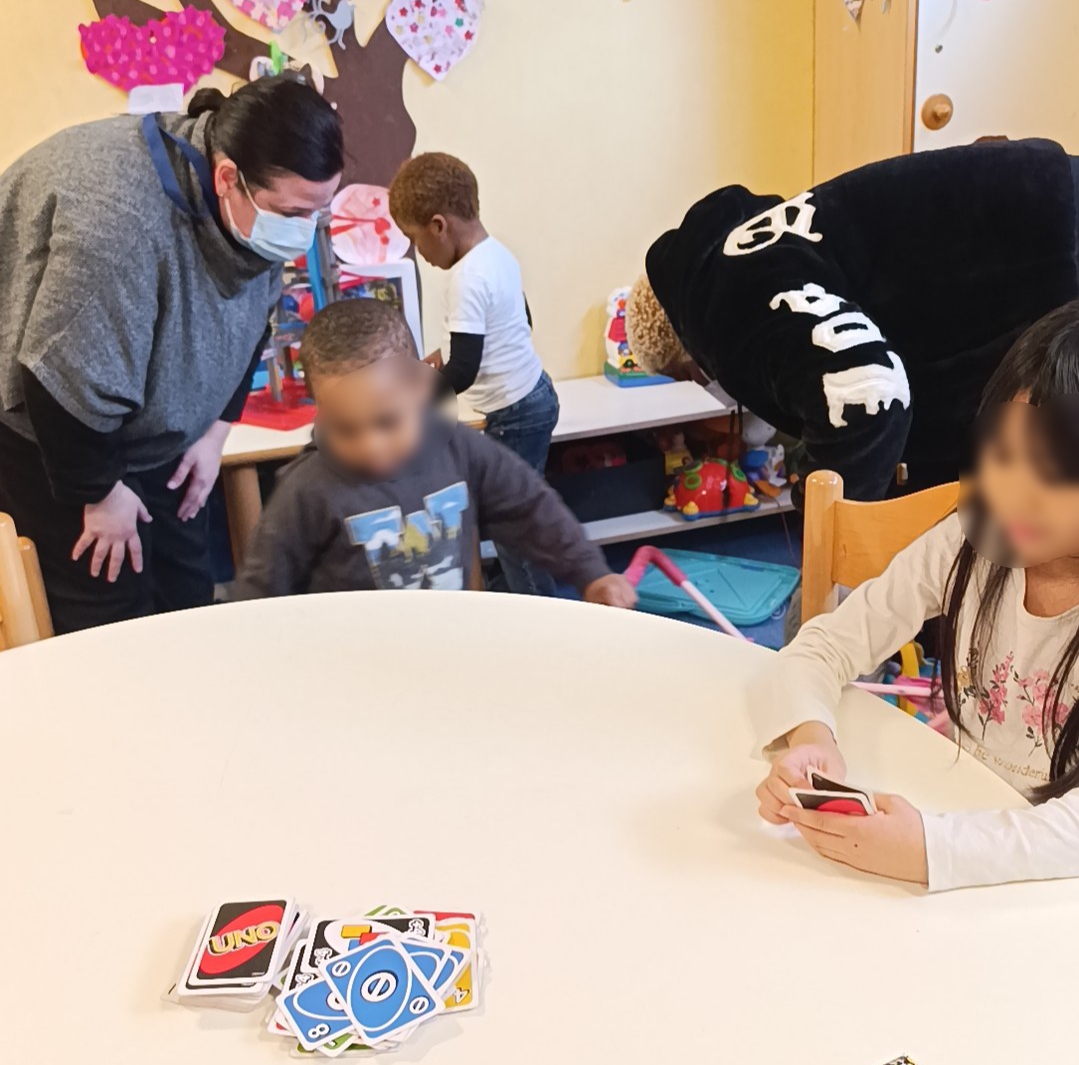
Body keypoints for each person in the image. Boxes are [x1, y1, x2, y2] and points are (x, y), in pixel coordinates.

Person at [754, 301, 1079, 892]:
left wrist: (932, 849)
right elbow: (822, 647)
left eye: (1054, 472)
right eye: (1005, 455)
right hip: (956, 820)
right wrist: (811, 740)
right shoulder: (970, 541)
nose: (1015, 494)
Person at [0, 75, 343, 634]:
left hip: (148, 414)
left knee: (185, 592)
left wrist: (213, 434)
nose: (303, 231)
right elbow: (58, 374)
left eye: (318, 211)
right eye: (294, 212)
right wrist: (99, 493)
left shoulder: (258, 211)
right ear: (227, 178)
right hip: (52, 422)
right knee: (110, 607)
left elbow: (249, 324)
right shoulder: (120, 221)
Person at [626, 139, 1079, 505]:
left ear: (681, 345)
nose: (702, 381)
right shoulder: (748, 248)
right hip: (1044, 210)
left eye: (686, 374)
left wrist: (825, 530)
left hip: (1055, 245)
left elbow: (867, 392)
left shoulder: (724, 311)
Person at [232, 299, 637, 609]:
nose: (370, 445)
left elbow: (528, 507)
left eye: (387, 421)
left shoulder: (458, 447)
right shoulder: (307, 488)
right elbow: (262, 589)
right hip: (355, 668)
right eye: (345, 428)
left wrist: (591, 574)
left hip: (449, 647)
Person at [388, 152, 561, 596]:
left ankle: (538, 608)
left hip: (515, 414)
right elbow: (516, 322)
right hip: (536, 396)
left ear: (438, 226)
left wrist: (418, 400)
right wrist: (444, 356)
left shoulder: (464, 279)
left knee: (511, 523)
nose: (420, 254)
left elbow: (464, 371)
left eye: (414, 239)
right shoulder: (496, 254)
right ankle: (519, 584)